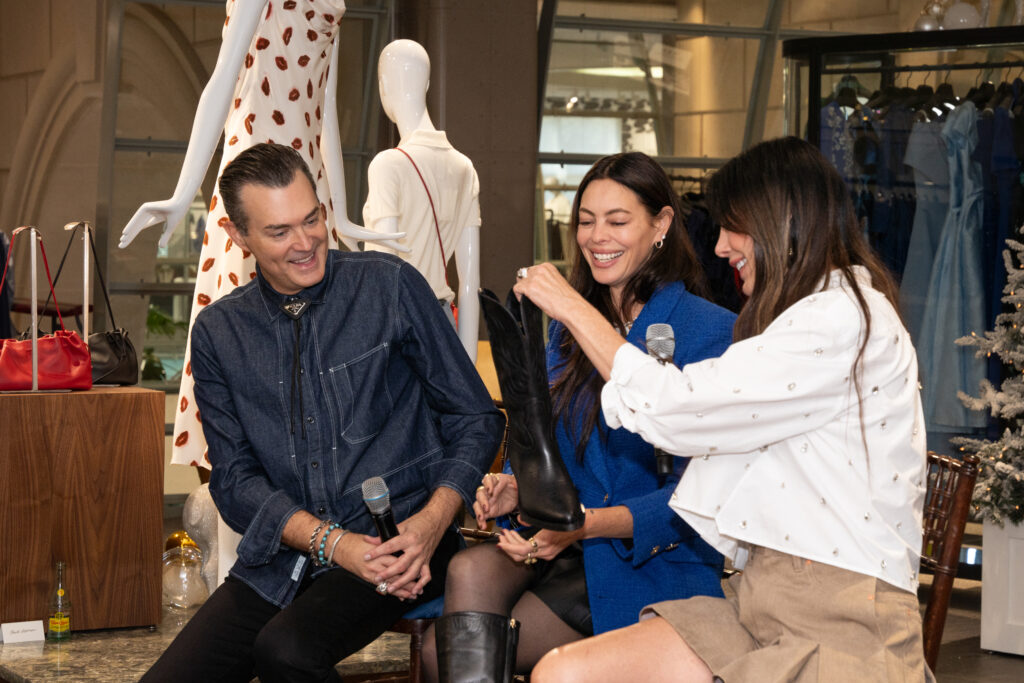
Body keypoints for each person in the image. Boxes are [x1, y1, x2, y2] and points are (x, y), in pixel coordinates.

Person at [516, 137, 934, 682]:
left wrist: (570, 307)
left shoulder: (839, 320)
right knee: (564, 673)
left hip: (841, 618)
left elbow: (675, 411)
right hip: (755, 600)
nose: (720, 246)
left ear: (781, 223)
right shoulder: (801, 319)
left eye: (734, 226)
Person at [142, 142, 504, 682]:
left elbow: (476, 418)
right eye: (279, 231)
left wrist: (432, 522)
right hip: (284, 558)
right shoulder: (220, 332)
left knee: (286, 650)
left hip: (401, 544)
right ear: (240, 237)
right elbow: (235, 480)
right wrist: (333, 544)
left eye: (311, 219)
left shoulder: (389, 286)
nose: (306, 242)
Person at [423, 152, 736, 680]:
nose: (597, 237)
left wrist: (585, 527)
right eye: (586, 221)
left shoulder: (712, 330)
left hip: (648, 559)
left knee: (447, 648)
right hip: (569, 550)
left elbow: (699, 499)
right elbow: (560, 457)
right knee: (463, 583)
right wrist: (520, 489)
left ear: (661, 225)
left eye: (618, 221)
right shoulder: (565, 334)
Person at [119, 0, 405, 477]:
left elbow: (323, 107)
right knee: (241, 334)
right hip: (256, 164)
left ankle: (306, 468)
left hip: (303, 176)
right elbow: (223, 78)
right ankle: (241, 481)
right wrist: (182, 191)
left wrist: (338, 211)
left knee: (313, 339)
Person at [363, 39, 482, 362]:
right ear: (427, 84)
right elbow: (470, 284)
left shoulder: (388, 164)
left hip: (398, 332)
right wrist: (467, 368)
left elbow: (383, 274)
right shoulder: (464, 168)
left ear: (383, 84)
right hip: (443, 327)